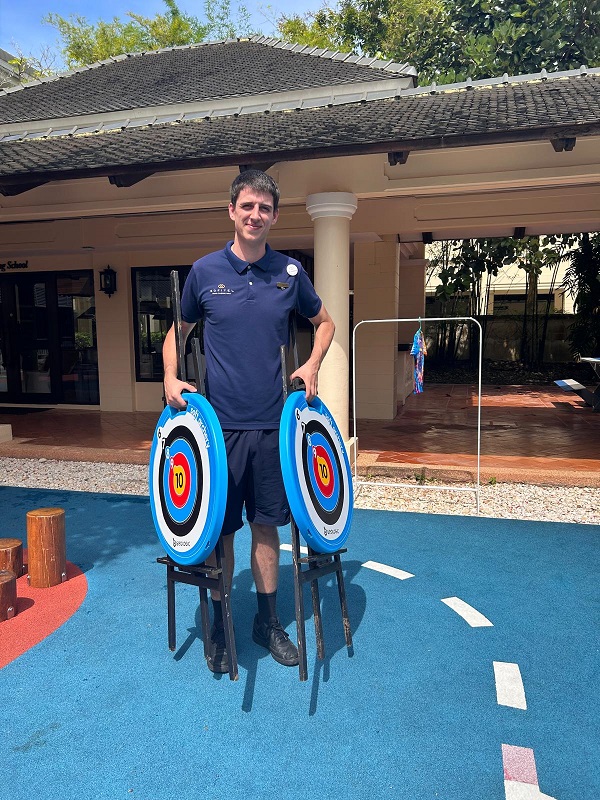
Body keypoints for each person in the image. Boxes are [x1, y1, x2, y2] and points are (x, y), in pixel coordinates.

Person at [163, 170, 335, 673]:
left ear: (274, 216)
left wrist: (310, 365)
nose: (255, 215)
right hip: (217, 431)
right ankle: (219, 623)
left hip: (273, 429)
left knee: (267, 527)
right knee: (221, 531)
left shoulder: (290, 273)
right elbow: (177, 332)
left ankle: (267, 621)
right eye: (247, 206)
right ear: (231, 211)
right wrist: (171, 378)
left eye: (264, 208)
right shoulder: (204, 271)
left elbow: (325, 323)